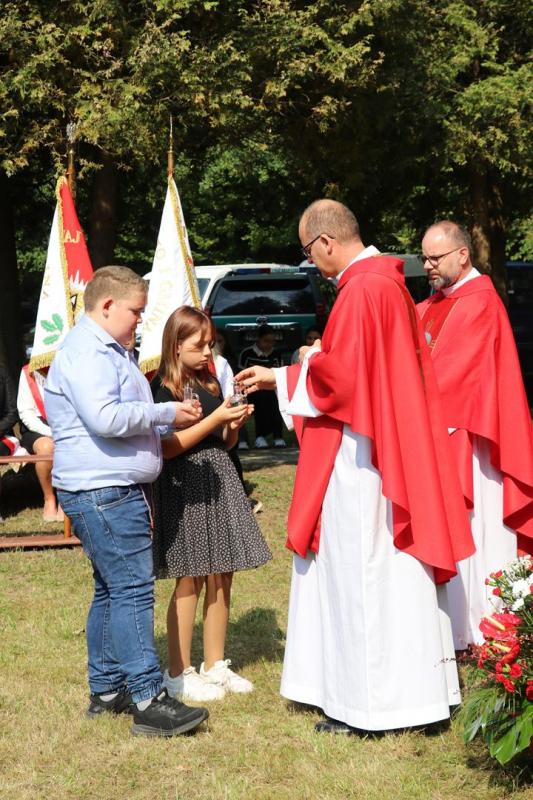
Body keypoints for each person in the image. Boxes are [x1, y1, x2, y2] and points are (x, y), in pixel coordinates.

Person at [236, 199, 473, 734]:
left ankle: (368, 706)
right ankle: (417, 695)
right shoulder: (386, 282)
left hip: (364, 455)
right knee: (396, 574)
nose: (311, 262)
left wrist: (288, 372)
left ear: (325, 241)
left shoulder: (363, 289)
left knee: (363, 572)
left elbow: (341, 380)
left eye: (308, 251)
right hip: (390, 440)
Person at [44, 266, 209, 738]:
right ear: (107, 305)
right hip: (104, 492)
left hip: (104, 489)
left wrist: (165, 422)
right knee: (133, 589)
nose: (140, 319)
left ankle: (107, 690)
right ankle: (148, 700)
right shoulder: (87, 352)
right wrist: (165, 412)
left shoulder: (106, 350)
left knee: (112, 588)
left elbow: (115, 417)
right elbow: (106, 418)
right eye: (136, 311)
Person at [416, 221, 533, 649]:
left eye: (435, 258)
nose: (427, 266)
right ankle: (457, 627)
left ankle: (486, 629)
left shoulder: (480, 302)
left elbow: (451, 374)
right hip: (444, 436)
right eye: (424, 258)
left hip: (475, 443)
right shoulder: (434, 303)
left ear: (462, 255)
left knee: (479, 531)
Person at [151, 306, 272, 703]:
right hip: (185, 485)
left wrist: (232, 425)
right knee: (190, 577)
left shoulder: (209, 380)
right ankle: (178, 672)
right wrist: (216, 417)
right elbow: (168, 448)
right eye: (199, 345)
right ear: (176, 344)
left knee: (222, 573)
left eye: (210, 344)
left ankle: (214, 664)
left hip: (219, 477)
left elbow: (223, 442)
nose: (208, 352)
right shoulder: (163, 388)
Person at [17, 365, 62, 522]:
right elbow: (25, 412)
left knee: (68, 446)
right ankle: (49, 498)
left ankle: (65, 499)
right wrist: (51, 432)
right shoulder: (27, 372)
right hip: (36, 427)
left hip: (66, 424)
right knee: (46, 447)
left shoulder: (70, 364)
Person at [238, 324, 286, 448]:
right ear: (258, 339)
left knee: (275, 400)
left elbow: (280, 376)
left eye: (272, 341)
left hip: (271, 389)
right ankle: (260, 436)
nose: (269, 344)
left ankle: (278, 436)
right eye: (266, 341)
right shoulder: (247, 354)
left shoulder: (276, 354)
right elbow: (241, 375)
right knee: (261, 398)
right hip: (252, 390)